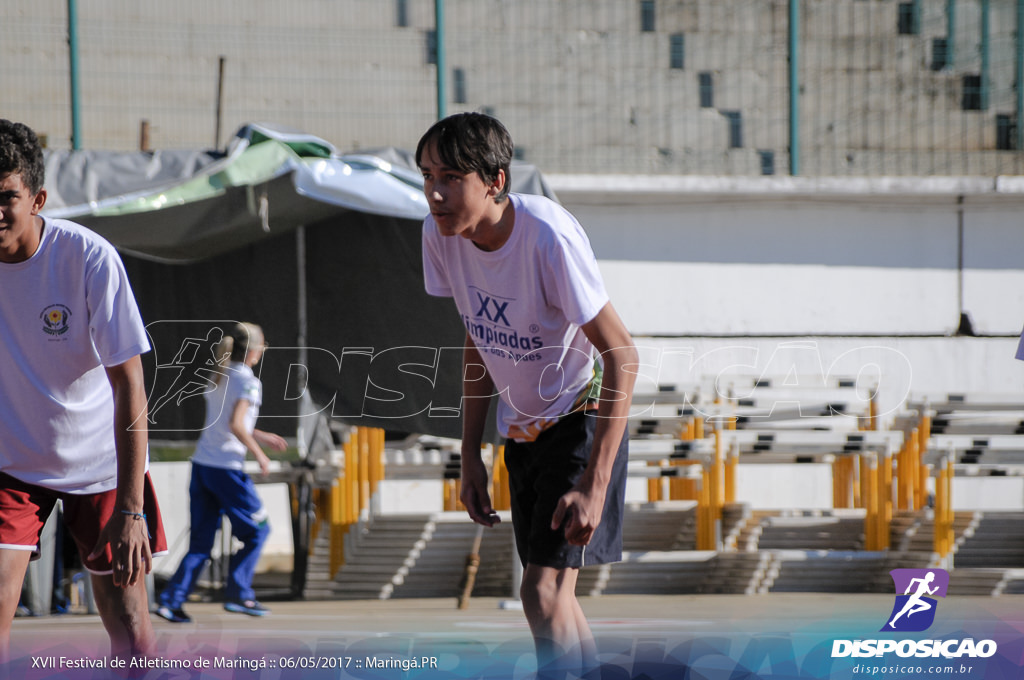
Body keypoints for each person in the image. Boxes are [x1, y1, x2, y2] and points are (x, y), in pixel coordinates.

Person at [418, 112, 638, 677]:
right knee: (555, 601)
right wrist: (471, 452)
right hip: (523, 430)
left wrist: (595, 480)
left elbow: (622, 355)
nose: (435, 193)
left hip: (580, 419)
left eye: (450, 177)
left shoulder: (547, 237)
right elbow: (476, 336)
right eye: (427, 176)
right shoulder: (438, 235)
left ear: (495, 179)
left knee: (541, 594)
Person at [0, 119, 167, 661]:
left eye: (6, 197)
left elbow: (130, 383)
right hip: (12, 463)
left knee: (128, 623)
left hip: (99, 464)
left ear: (38, 198)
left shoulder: (87, 258)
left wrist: (132, 508)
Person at [156, 322, 286, 622]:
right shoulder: (249, 382)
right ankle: (240, 594)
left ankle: (170, 602)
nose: (263, 351)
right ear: (253, 350)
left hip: (202, 466)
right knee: (258, 531)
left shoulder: (220, 374)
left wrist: (261, 436)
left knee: (201, 542)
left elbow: (227, 422)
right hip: (226, 469)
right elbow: (236, 425)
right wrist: (260, 455)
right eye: (262, 345)